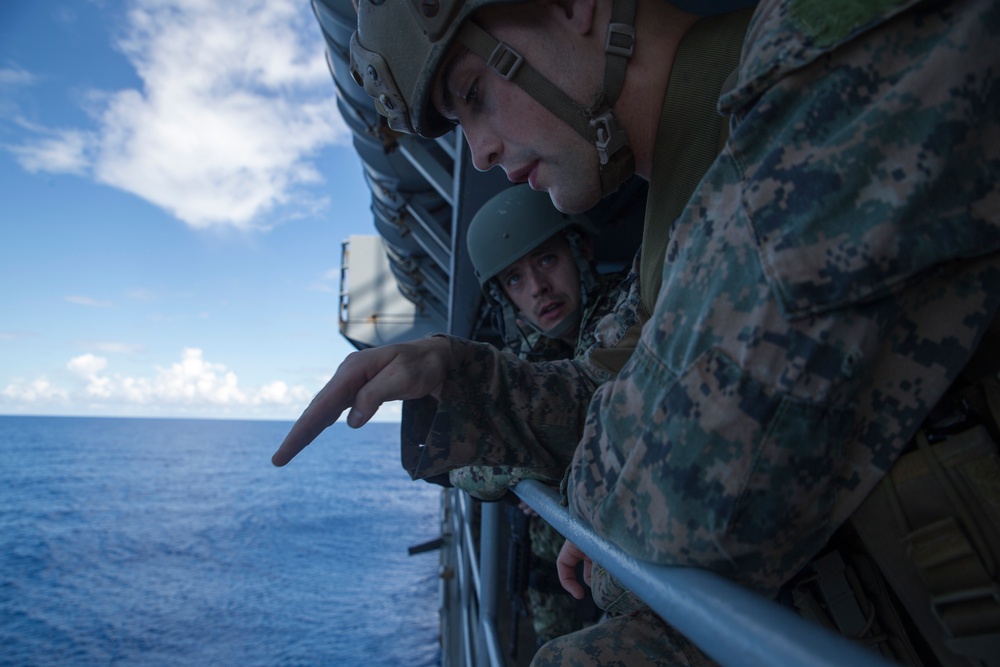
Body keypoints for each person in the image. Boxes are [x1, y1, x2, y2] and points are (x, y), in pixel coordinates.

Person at [275, 0, 1000, 664]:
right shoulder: (680, 207)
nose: (482, 153)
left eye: (472, 96)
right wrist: (450, 369)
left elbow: (672, 505)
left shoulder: (825, 81)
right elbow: (600, 384)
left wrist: (593, 514)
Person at [450, 184, 627, 652]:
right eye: (514, 279)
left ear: (580, 249)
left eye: (547, 260)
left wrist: (528, 456)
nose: (537, 289)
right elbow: (463, 463)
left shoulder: (626, 314)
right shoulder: (529, 358)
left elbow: (598, 415)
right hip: (563, 578)